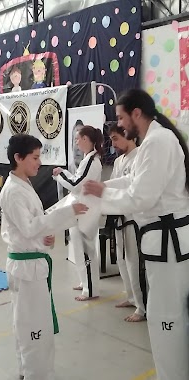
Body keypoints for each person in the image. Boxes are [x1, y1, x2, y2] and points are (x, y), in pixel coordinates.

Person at [83, 89, 189, 380]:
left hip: (169, 244)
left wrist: (100, 202)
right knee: (166, 314)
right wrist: (105, 188)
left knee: (167, 317)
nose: (120, 123)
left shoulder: (158, 142)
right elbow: (134, 180)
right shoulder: (153, 141)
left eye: (121, 117)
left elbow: (141, 198)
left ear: (136, 114)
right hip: (165, 243)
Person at [0, 134, 88, 380]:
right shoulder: (14, 191)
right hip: (26, 269)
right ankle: (34, 373)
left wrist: (44, 237)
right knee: (33, 327)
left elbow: (29, 228)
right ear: (18, 158)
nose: (40, 162)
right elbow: (28, 228)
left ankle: (30, 371)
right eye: (35, 157)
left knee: (32, 324)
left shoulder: (23, 185)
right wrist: (66, 212)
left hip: (32, 263)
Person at [53, 125, 103, 301]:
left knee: (86, 250)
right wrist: (64, 174)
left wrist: (60, 175)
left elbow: (75, 184)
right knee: (80, 248)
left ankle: (90, 290)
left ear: (85, 139)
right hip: (81, 208)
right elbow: (77, 181)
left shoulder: (91, 160)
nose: (76, 142)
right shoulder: (88, 160)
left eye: (77, 138)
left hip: (86, 210)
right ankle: (85, 282)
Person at [108, 124, 145, 322]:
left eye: (115, 138)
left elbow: (131, 186)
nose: (113, 144)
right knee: (122, 261)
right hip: (119, 215)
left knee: (134, 262)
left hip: (133, 218)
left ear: (128, 136)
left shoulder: (140, 156)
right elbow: (113, 188)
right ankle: (131, 297)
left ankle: (142, 307)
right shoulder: (118, 161)